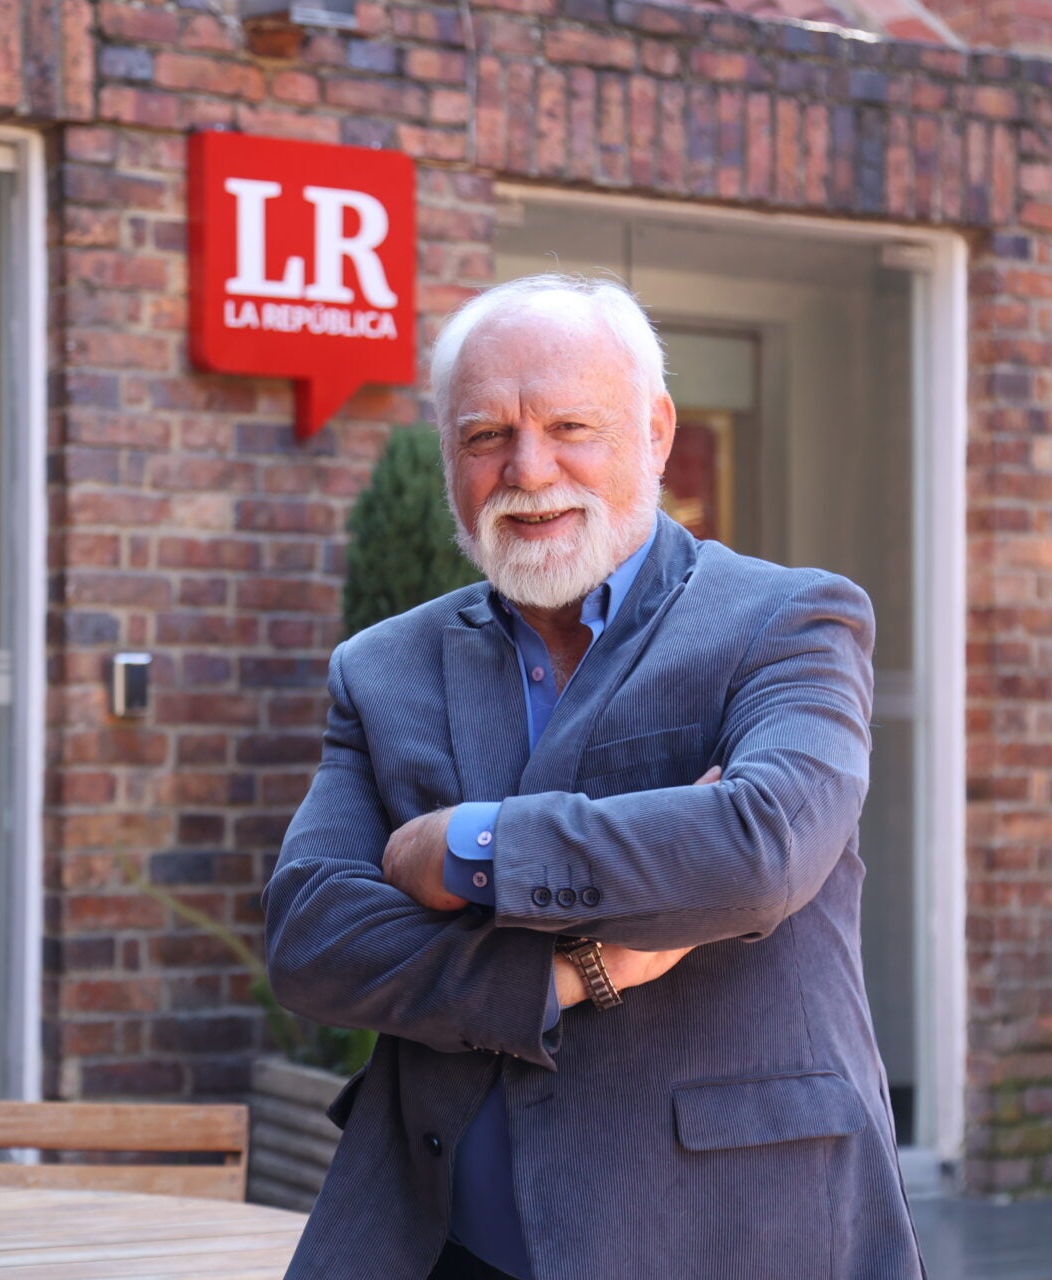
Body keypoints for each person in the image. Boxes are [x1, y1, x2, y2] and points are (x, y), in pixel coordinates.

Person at [261, 273, 925, 1279]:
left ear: (656, 431)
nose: (529, 469)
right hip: (439, 1240)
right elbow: (314, 936)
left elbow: (758, 849)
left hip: (732, 1234)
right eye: (486, 435)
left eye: (571, 424)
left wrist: (467, 844)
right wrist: (567, 968)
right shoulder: (382, 668)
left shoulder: (787, 623)